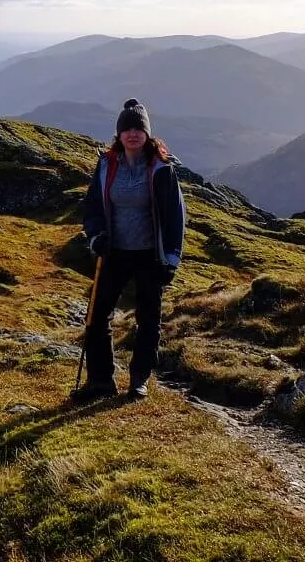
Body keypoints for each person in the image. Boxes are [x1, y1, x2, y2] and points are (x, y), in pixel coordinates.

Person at [72, 98, 186, 402]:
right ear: (119, 134)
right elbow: (94, 205)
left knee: (148, 320)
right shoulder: (107, 165)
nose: (133, 134)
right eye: (127, 129)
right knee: (97, 316)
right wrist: (95, 237)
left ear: (147, 134)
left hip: (150, 255)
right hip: (114, 252)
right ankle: (100, 381)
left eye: (138, 128)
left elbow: (175, 216)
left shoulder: (161, 168)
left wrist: (171, 259)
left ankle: (138, 381)